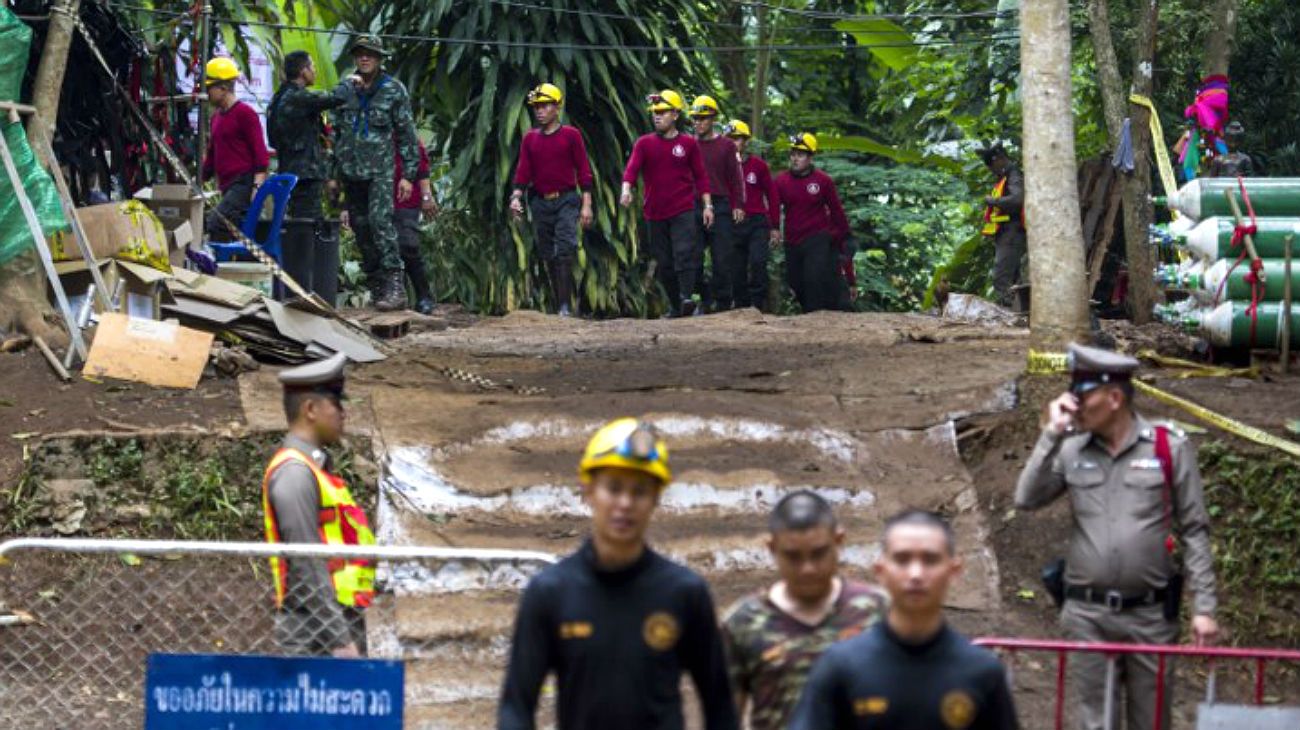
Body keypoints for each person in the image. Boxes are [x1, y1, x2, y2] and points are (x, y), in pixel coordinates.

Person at [1015, 343, 1218, 730]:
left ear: (1113, 397)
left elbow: (1194, 529)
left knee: (1152, 722)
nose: (1072, 404)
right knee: (1097, 723)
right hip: (1087, 615)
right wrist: (1051, 434)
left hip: (1151, 616)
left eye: (1081, 395)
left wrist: (1205, 608)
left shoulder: (1166, 446)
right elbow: (1026, 499)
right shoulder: (1072, 448)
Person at [497, 418, 738, 730]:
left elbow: (719, 705)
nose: (625, 504)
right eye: (613, 488)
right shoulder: (551, 593)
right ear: (588, 491)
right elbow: (516, 707)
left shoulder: (684, 593)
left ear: (656, 499)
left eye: (639, 491)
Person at [789, 510, 1019, 730]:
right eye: (902, 559)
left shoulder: (982, 672)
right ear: (880, 570)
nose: (916, 574)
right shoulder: (840, 667)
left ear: (954, 570)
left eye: (930, 560)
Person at [721, 490, 886, 730]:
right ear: (772, 548)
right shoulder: (744, 623)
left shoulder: (878, 612)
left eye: (818, 554)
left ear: (838, 541)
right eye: (793, 557)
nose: (807, 569)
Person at [261, 352, 375, 658]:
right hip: (315, 639)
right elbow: (307, 561)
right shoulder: (295, 473)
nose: (343, 413)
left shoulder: (316, 468)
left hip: (333, 624)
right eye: (336, 404)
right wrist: (340, 640)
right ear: (310, 409)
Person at [331, 34, 420, 312]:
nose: (364, 58)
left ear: (380, 58)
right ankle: (377, 283)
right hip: (350, 170)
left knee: (381, 222)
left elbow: (407, 134)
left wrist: (408, 174)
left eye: (369, 53)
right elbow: (335, 134)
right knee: (360, 226)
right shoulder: (344, 89)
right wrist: (333, 175)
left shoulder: (394, 90)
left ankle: (395, 283)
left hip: (380, 171)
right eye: (359, 53)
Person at [621, 90, 713, 318]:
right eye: (655, 113)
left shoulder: (688, 144)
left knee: (684, 253)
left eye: (662, 112)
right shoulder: (644, 143)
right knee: (664, 262)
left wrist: (708, 205)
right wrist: (626, 190)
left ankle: (686, 297)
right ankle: (675, 305)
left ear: (675, 114)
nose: (657, 116)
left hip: (683, 209)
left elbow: (701, 176)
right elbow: (631, 170)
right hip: (655, 212)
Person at [267, 51, 349, 301]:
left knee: (299, 225)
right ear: (303, 71)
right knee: (308, 229)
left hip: (290, 171)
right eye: (312, 66)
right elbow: (335, 97)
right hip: (304, 174)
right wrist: (350, 82)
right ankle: (310, 290)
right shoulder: (297, 98)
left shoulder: (278, 99)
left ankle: (304, 287)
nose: (314, 70)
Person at [510, 82, 594, 317]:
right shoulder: (530, 139)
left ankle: (565, 306)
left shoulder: (571, 135)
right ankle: (559, 301)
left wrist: (586, 204)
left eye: (545, 105)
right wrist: (516, 196)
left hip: (566, 199)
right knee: (547, 252)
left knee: (565, 248)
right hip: (540, 201)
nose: (540, 110)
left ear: (557, 108)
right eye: (537, 106)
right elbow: (523, 171)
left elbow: (584, 170)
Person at [772, 133, 854, 313]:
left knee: (813, 278)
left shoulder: (823, 180)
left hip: (817, 237)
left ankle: (815, 317)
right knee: (795, 282)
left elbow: (836, 210)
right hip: (792, 239)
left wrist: (846, 237)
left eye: (800, 155)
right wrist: (774, 228)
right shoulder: (781, 181)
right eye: (793, 154)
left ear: (810, 157)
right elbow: (774, 207)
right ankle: (810, 311)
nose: (795, 159)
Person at [200, 57, 269, 240]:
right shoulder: (216, 118)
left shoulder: (245, 114)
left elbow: (261, 156)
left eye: (209, 89)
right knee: (204, 221)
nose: (206, 93)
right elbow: (212, 157)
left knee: (216, 223)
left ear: (223, 88)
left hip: (243, 184)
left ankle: (225, 265)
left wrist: (257, 189)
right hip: (228, 186)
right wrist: (196, 180)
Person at [689, 96, 744, 312]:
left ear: (713, 119)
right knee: (692, 256)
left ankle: (723, 302)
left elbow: (735, 177)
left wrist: (738, 204)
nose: (698, 122)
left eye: (703, 118)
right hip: (693, 205)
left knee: (722, 257)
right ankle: (703, 296)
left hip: (721, 204)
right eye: (695, 118)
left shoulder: (727, 145)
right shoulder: (688, 144)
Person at [725, 120, 778, 311]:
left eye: (737, 139)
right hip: (732, 224)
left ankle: (757, 305)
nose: (733, 143)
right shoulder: (722, 166)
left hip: (757, 223)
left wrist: (775, 227)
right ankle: (740, 305)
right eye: (729, 139)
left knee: (758, 262)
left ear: (745, 141)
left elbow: (772, 196)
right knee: (736, 268)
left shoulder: (759, 166)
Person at [393, 138, 437, 314]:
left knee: (408, 246)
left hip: (407, 201)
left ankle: (424, 296)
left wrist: (427, 196)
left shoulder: (409, 138)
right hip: (378, 202)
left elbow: (422, 169)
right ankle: (395, 297)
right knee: (387, 250)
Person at [979, 144, 1025, 310]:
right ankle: (1019, 312)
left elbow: (1017, 199)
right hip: (1006, 232)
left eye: (991, 165)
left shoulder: (1013, 174)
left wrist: (992, 201)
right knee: (1012, 277)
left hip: (1012, 232)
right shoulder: (1005, 177)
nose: (991, 170)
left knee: (1001, 276)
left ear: (998, 159)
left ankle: (1007, 312)